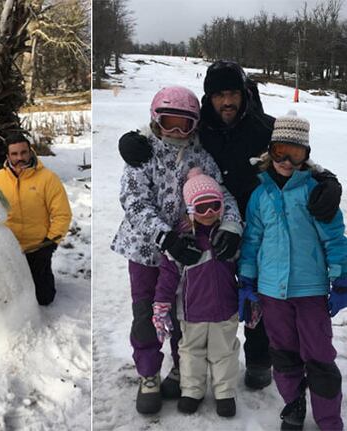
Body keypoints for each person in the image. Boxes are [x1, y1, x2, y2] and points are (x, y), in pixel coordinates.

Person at [118, 60, 342, 389]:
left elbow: (296, 157)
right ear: (208, 98)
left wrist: (329, 180)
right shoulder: (200, 128)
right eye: (219, 95)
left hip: (259, 224)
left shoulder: (264, 126)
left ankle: (260, 359)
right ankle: (180, 363)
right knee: (193, 297)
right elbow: (166, 126)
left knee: (261, 295)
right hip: (204, 227)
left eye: (233, 93)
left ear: (244, 94)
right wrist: (131, 138)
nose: (226, 101)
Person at [110, 85, 242, 415]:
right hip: (146, 249)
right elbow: (134, 200)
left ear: (194, 125)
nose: (176, 131)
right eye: (169, 122)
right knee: (147, 311)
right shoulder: (143, 153)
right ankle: (148, 372)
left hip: (189, 251)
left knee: (183, 312)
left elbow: (221, 194)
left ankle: (182, 366)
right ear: (155, 120)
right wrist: (165, 238)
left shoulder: (200, 157)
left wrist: (230, 226)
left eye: (184, 124)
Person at [238, 111, 347, 431]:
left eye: (296, 153)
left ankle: (329, 418)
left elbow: (335, 238)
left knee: (319, 355)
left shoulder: (316, 192)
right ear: (270, 152)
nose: (286, 161)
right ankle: (294, 405)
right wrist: (247, 280)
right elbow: (251, 241)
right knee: (283, 353)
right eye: (280, 152)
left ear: (306, 156)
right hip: (272, 293)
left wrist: (340, 277)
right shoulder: (259, 196)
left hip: (310, 290)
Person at [153, 168, 240, 418]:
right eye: (201, 209)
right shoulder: (183, 244)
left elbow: (244, 266)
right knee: (191, 353)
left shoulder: (228, 238)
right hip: (192, 313)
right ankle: (192, 390)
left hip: (225, 310)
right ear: (190, 210)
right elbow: (168, 276)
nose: (209, 214)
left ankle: (225, 393)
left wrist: (249, 291)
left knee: (225, 353)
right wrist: (161, 306)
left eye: (214, 206)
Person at [0, 132, 72, 306]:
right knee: (6, 298)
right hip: (6, 248)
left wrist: (50, 243)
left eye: (23, 152)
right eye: (15, 154)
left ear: (30, 151)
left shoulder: (48, 179)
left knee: (44, 298)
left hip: (37, 248)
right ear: (8, 156)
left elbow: (62, 214)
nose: (20, 158)